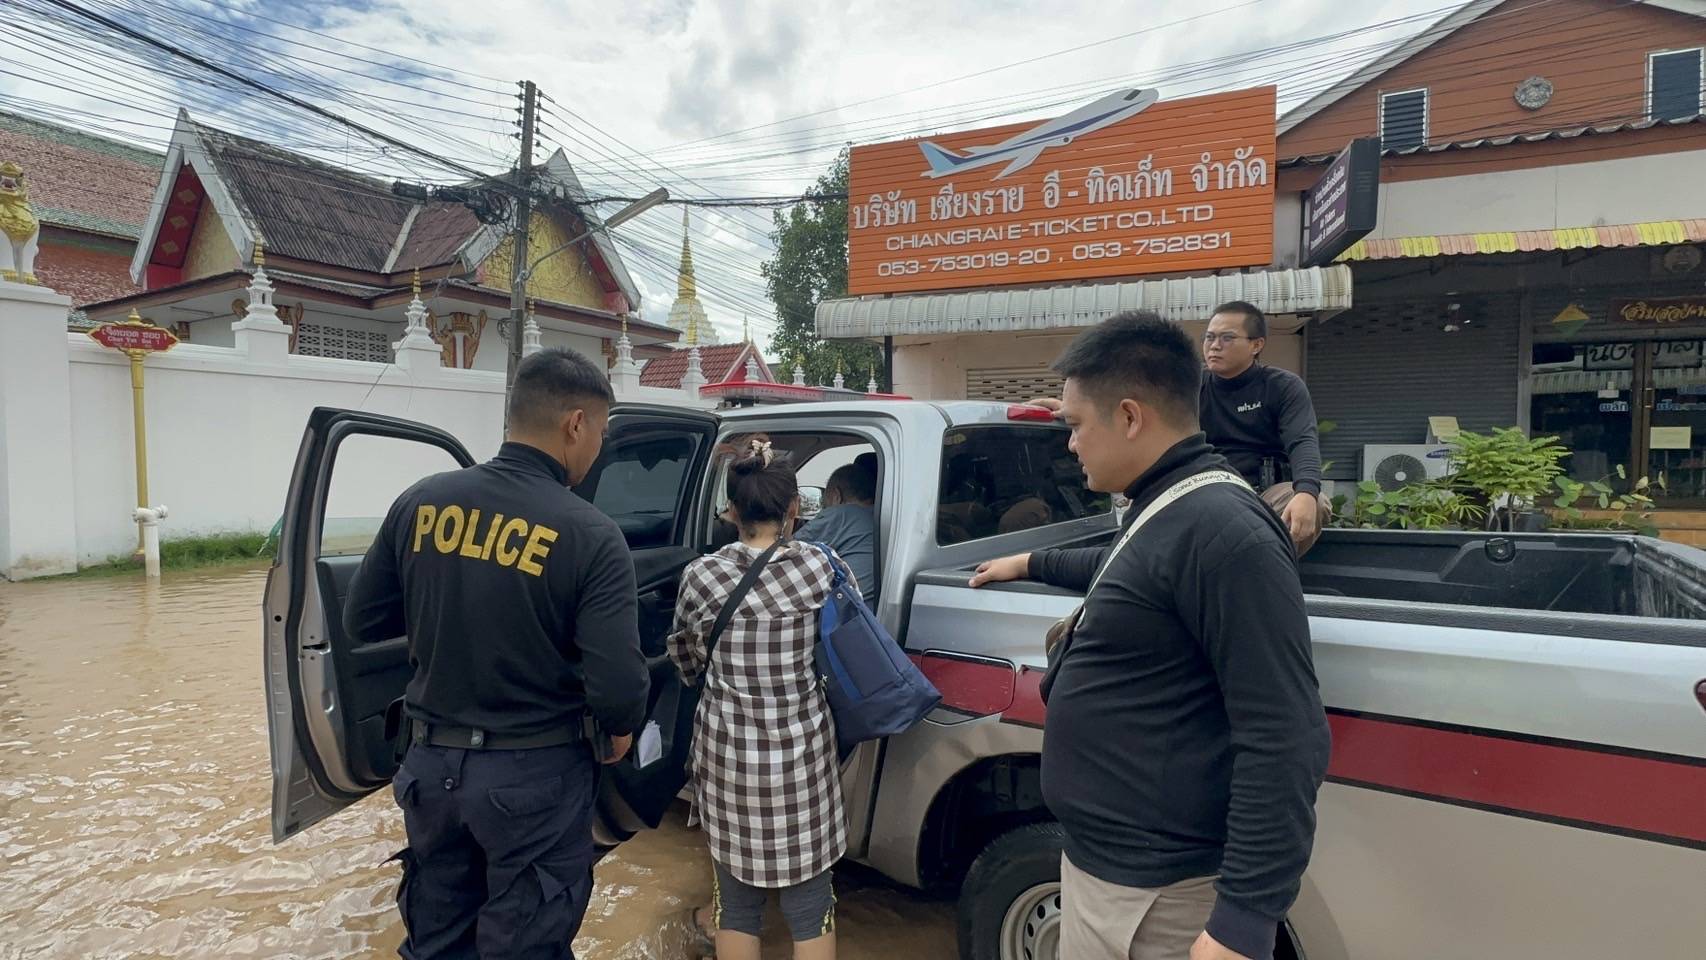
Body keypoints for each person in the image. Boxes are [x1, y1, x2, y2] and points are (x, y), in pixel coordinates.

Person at [972, 312, 1330, 960]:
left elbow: (1286, 733)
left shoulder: (1226, 532)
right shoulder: (1168, 505)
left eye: (1077, 425)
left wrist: (1242, 921)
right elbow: (1128, 568)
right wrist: (1027, 562)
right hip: (1109, 874)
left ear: (1131, 417)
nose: (1071, 445)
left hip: (1160, 901)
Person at [342, 347, 649, 960]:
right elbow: (617, 686)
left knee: (437, 941)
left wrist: (446, 615)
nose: (598, 450)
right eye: (601, 433)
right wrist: (620, 731)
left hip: (430, 772)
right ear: (575, 424)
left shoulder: (421, 502)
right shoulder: (590, 533)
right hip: (534, 780)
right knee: (526, 944)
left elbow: (362, 620)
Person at [669, 439, 849, 960]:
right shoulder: (822, 567)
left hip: (728, 761)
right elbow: (848, 643)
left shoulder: (701, 576)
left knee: (735, 905)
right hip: (803, 759)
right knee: (811, 906)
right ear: (794, 508)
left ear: (731, 510)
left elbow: (684, 660)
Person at [1200, 300, 1331, 555]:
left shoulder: (1283, 386)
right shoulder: (1190, 387)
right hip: (1207, 490)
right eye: (1209, 337)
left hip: (1267, 493)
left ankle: (1269, 570)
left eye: (1227, 338)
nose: (1214, 346)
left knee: (1315, 503)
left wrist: (1306, 492)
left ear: (1256, 345)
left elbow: (1303, 441)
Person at [795, 457, 879, 605]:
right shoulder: (881, 517)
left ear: (836, 495)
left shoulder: (840, 514)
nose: (824, 508)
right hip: (870, 610)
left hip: (847, 613)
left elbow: (783, 553)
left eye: (825, 501)